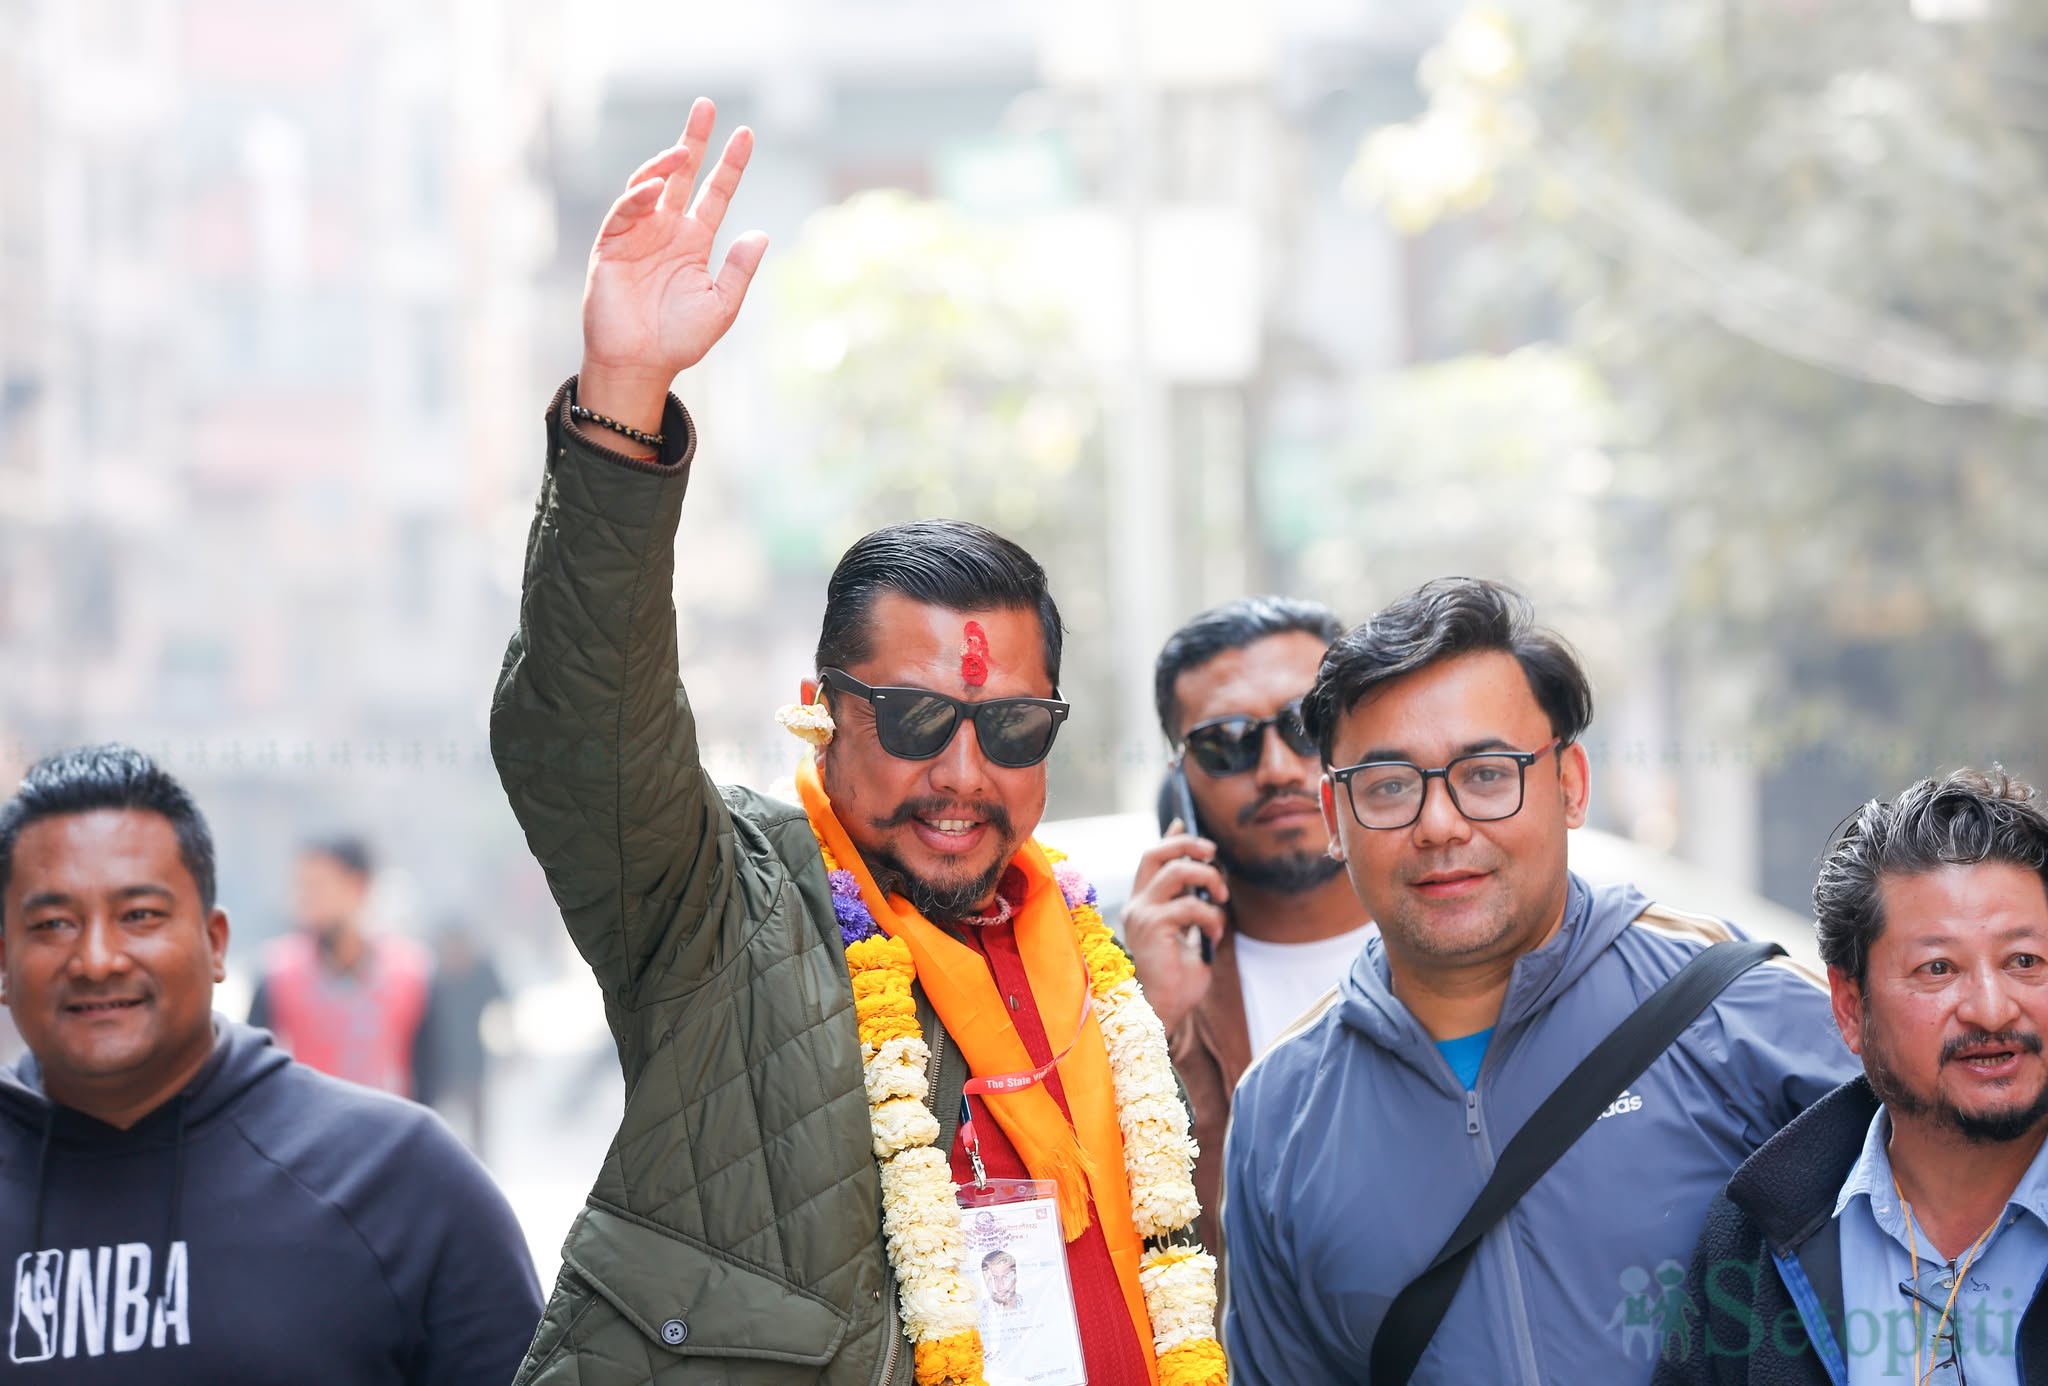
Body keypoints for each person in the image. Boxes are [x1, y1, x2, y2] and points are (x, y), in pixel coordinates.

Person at [490, 98, 1223, 1386]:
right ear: (822, 710)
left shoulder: (1084, 965)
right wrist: (622, 400)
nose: (962, 774)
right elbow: (584, 733)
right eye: (918, 719)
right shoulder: (726, 909)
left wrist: (1159, 1033)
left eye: (1010, 728)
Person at [1221, 577, 1858, 1384]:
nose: (1439, 825)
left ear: (1570, 785)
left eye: (1487, 774)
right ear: (1334, 818)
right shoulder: (1281, 1110)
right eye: (1388, 787)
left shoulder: (1738, 1008)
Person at [0, 745, 540, 1382]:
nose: (97, 959)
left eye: (139, 915)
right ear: (4, 961)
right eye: (54, 923)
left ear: (214, 944)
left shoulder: (409, 1184)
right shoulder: (284, 974)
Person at [1653, 769, 2048, 1385]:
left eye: (2025, 960)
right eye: (1938, 968)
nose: (1992, 1010)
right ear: (1849, 1007)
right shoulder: (1754, 1241)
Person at [1124, 596, 1373, 1254]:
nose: (1277, 769)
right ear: (1179, 782)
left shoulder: (1464, 938)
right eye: (1227, 742)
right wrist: (1145, 1016)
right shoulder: (1139, 998)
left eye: (1306, 726)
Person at [247, 837, 433, 1098]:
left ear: (359, 886)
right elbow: (253, 1071)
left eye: (316, 888)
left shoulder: (410, 975)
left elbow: (427, 1077)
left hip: (387, 1119)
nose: (303, 903)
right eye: (301, 888)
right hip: (308, 1118)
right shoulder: (278, 973)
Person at [413, 919, 506, 1158]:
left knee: (477, 1124)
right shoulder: (433, 979)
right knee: (440, 1126)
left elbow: (502, 1003)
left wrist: (508, 1046)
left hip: (472, 1060)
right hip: (440, 1064)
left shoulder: (481, 973)